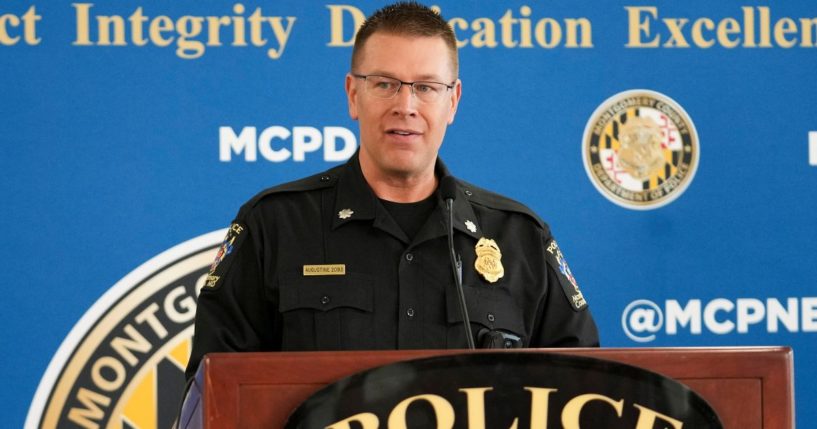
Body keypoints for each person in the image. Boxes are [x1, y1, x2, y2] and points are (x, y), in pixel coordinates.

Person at [185, 1, 599, 384]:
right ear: (353, 94)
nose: (406, 105)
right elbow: (216, 393)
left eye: (426, 87)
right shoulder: (274, 225)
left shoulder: (518, 237)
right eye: (385, 84)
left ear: (452, 101)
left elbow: (585, 388)